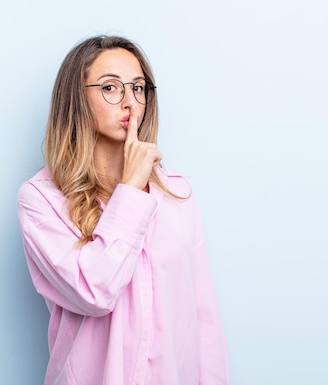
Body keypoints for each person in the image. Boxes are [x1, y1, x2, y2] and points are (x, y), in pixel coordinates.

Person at [16, 35, 228, 385]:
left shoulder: (178, 194)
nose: (130, 101)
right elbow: (95, 293)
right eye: (111, 88)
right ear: (77, 98)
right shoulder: (40, 200)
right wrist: (130, 189)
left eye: (139, 88)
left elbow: (203, 318)